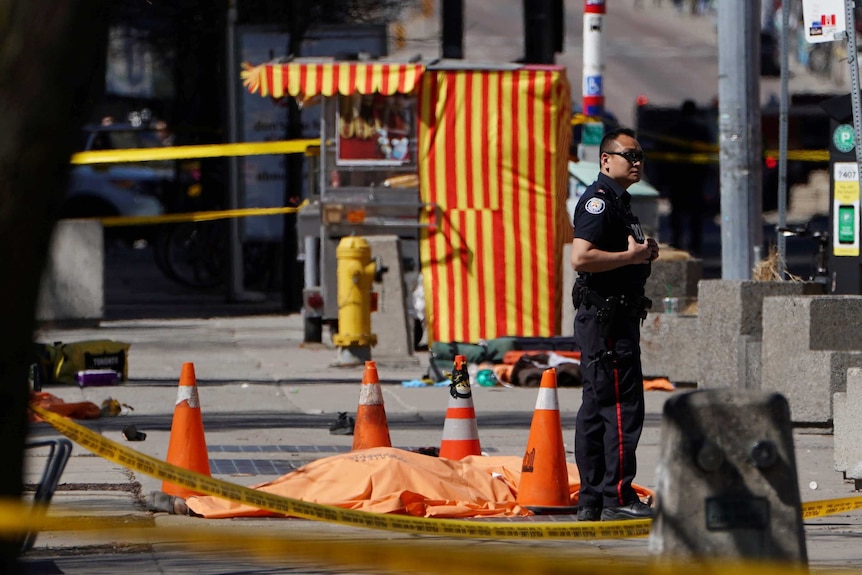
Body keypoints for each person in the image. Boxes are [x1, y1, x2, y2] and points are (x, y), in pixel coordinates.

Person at [570, 127, 659, 522]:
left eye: (640, 156)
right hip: (608, 320)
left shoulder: (618, 203)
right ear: (606, 160)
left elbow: (622, 252)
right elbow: (582, 258)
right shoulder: (599, 202)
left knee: (596, 407)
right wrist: (629, 257)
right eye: (630, 155)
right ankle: (617, 496)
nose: (637, 162)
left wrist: (642, 254)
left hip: (609, 318)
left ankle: (591, 499)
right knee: (621, 408)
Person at [667, 99, 712, 256]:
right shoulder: (701, 130)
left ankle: (678, 242)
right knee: (695, 214)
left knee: (678, 212)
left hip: (678, 178)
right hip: (695, 178)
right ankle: (694, 244)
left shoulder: (673, 130)